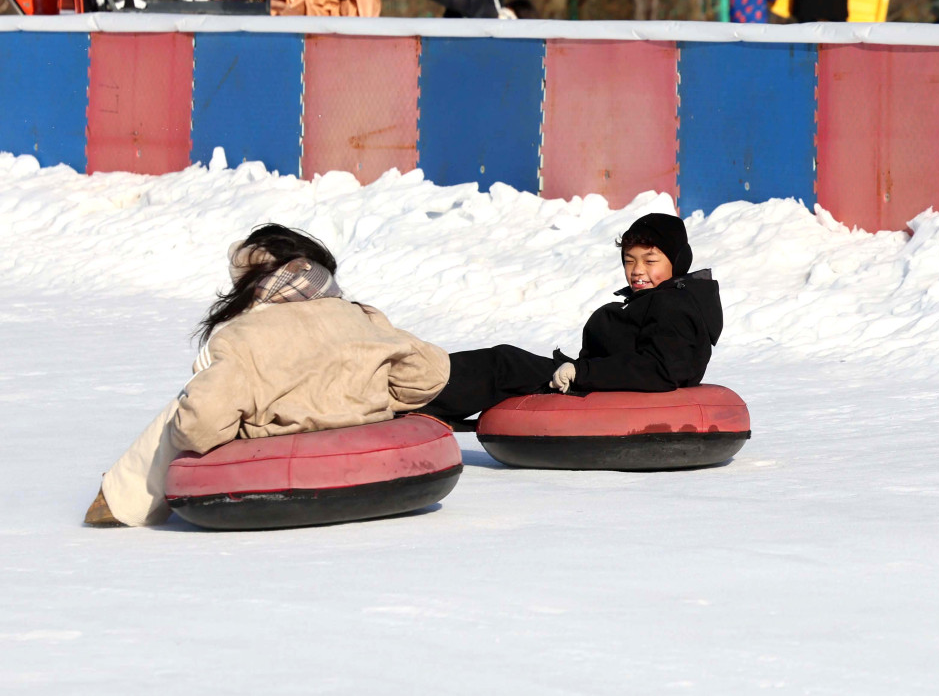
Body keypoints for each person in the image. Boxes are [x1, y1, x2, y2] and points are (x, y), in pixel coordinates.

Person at [83, 224, 451, 527]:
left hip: (277, 453)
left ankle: (119, 504)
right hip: (366, 441)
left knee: (182, 409)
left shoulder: (241, 337)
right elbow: (429, 375)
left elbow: (201, 427)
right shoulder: (360, 317)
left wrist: (245, 423)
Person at [420, 213, 723, 428]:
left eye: (650, 261)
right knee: (505, 361)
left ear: (677, 262)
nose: (637, 270)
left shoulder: (674, 305)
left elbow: (659, 369)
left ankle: (415, 394)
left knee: (504, 365)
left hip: (603, 387)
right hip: (597, 381)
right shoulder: (651, 302)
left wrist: (581, 372)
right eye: (629, 261)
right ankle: (417, 385)